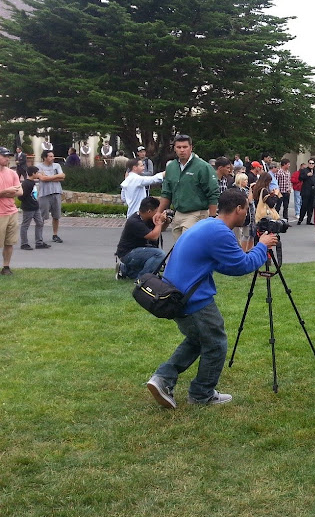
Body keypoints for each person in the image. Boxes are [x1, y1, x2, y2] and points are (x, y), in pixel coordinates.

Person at [146, 188, 279, 409]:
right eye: (246, 209)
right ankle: (202, 394)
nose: (247, 214)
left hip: (174, 295)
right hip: (192, 298)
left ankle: (162, 379)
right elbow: (242, 266)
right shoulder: (220, 232)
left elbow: (224, 264)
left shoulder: (209, 224)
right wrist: (262, 246)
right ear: (238, 209)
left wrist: (255, 249)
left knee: (198, 340)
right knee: (216, 343)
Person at [157, 134, 220, 240]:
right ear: (174, 149)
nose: (182, 150)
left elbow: (213, 193)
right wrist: (159, 212)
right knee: (178, 246)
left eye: (185, 147)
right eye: (179, 147)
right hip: (178, 214)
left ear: (191, 147)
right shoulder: (171, 167)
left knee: (188, 245)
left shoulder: (203, 167)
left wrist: (212, 218)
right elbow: (166, 193)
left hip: (197, 213)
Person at [114, 196, 167, 280]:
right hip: (127, 253)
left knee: (150, 267)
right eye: (157, 211)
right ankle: (143, 279)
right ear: (149, 211)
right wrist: (159, 222)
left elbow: (160, 230)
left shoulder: (148, 218)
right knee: (159, 254)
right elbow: (154, 236)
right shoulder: (134, 221)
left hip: (139, 251)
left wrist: (166, 221)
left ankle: (124, 269)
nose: (158, 214)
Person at [0, 146, 23, 275]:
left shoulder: (12, 173)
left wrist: (5, 193)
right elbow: (12, 191)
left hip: (12, 212)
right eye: (4, 156)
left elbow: (20, 192)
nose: (7, 159)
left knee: (9, 242)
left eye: (8, 156)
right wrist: (5, 192)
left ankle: (6, 267)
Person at [37, 150, 66, 243]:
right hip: (44, 193)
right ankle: (39, 236)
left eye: (53, 156)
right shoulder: (39, 167)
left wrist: (48, 178)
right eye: (50, 156)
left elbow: (62, 177)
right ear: (45, 157)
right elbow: (42, 178)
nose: (53, 158)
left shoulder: (57, 166)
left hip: (56, 192)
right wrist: (55, 177)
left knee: (56, 216)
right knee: (42, 216)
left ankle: (55, 235)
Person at [18, 166, 50, 251]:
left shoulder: (32, 182)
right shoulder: (26, 184)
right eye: (37, 172)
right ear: (33, 173)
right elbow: (21, 196)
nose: (38, 174)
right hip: (28, 208)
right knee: (25, 225)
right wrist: (28, 202)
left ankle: (39, 242)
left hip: (35, 207)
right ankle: (24, 243)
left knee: (40, 223)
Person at [233, 172, 254, 251]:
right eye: (245, 180)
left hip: (248, 215)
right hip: (241, 215)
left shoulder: (246, 189)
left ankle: (248, 250)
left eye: (247, 180)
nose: (247, 182)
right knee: (240, 235)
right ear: (240, 181)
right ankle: (242, 251)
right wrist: (250, 190)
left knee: (248, 234)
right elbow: (249, 201)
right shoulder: (238, 190)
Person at [298, 159, 315, 225]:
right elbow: (300, 178)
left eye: (312, 163)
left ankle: (309, 220)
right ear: (308, 164)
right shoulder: (304, 170)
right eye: (310, 163)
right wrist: (307, 175)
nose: (311, 165)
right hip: (306, 191)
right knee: (304, 206)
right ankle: (300, 219)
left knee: (311, 207)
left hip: (313, 191)